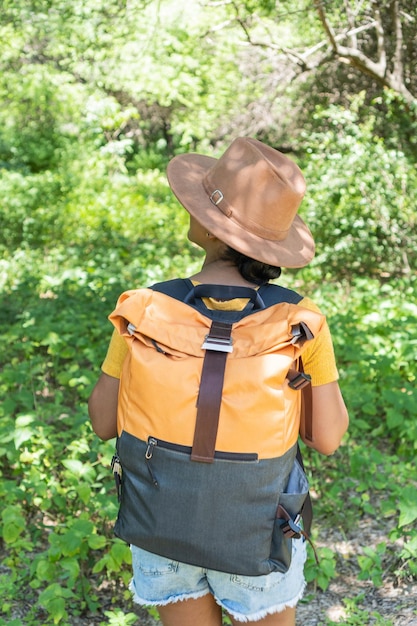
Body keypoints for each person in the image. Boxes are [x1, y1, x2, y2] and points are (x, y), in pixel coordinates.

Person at [88, 137, 349, 626]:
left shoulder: (145, 310)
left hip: (162, 517)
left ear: (210, 231)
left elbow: (103, 422)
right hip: (258, 526)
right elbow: (327, 439)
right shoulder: (299, 321)